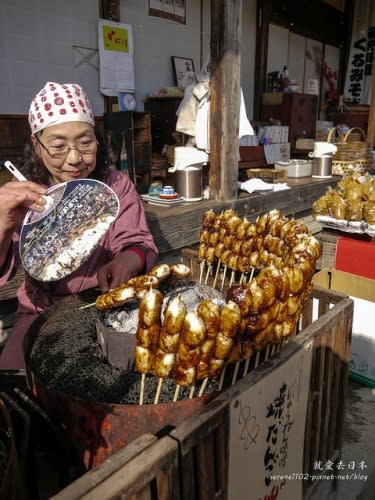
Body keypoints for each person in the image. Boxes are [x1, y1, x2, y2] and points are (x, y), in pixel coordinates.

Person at [0, 81, 158, 369]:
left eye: (85, 142)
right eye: (58, 146)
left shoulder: (115, 186)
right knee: (14, 381)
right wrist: (3, 222)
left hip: (105, 304)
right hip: (40, 311)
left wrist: (128, 260)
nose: (74, 159)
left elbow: (139, 243)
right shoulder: (24, 194)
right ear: (37, 145)